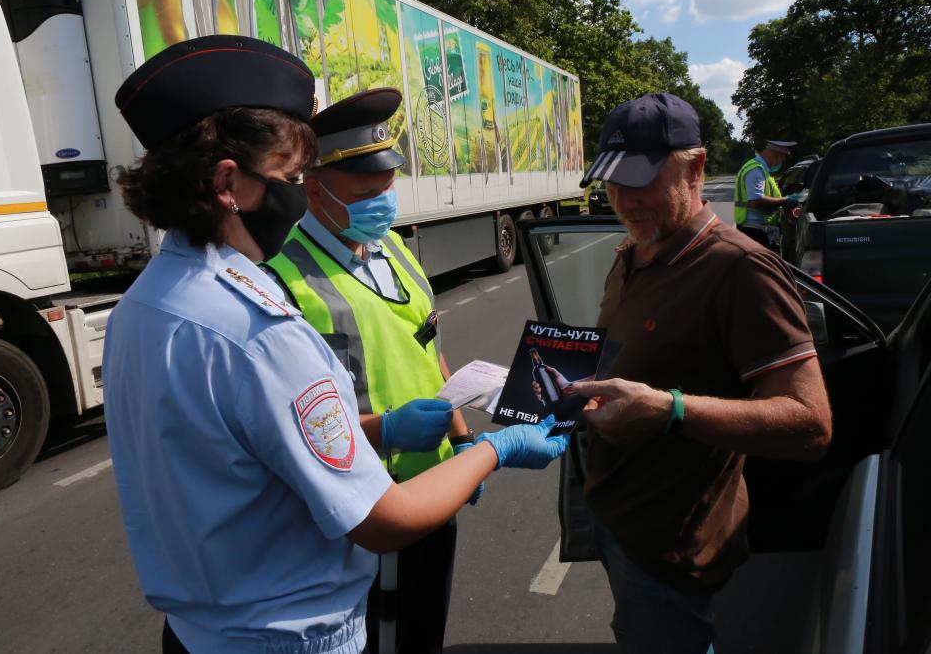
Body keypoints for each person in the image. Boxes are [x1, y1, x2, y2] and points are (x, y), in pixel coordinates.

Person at [102, 35, 570, 654]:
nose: (297, 194)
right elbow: (383, 523)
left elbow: (256, 443)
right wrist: (497, 449)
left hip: (201, 630)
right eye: (292, 176)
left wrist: (398, 431)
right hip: (291, 634)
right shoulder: (257, 327)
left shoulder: (149, 301)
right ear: (226, 183)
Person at [570, 93, 832, 653]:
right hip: (619, 521)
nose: (624, 200)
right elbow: (632, 356)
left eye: (641, 181)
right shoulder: (634, 250)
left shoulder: (741, 270)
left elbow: (811, 422)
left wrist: (671, 409)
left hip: (672, 548)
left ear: (697, 167)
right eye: (612, 183)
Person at [265, 87, 476, 654]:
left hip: (430, 490)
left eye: (387, 188)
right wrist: (391, 429)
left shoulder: (395, 250)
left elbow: (430, 349)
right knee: (377, 641)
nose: (382, 203)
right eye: (365, 193)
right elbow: (288, 428)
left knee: (423, 630)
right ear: (315, 190)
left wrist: (462, 440)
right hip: (358, 507)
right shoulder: (281, 281)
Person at [733, 139, 801, 248]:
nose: (781, 162)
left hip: (756, 229)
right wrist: (785, 200)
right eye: (782, 158)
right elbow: (756, 201)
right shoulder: (756, 170)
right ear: (776, 155)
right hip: (754, 231)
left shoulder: (762, 170)